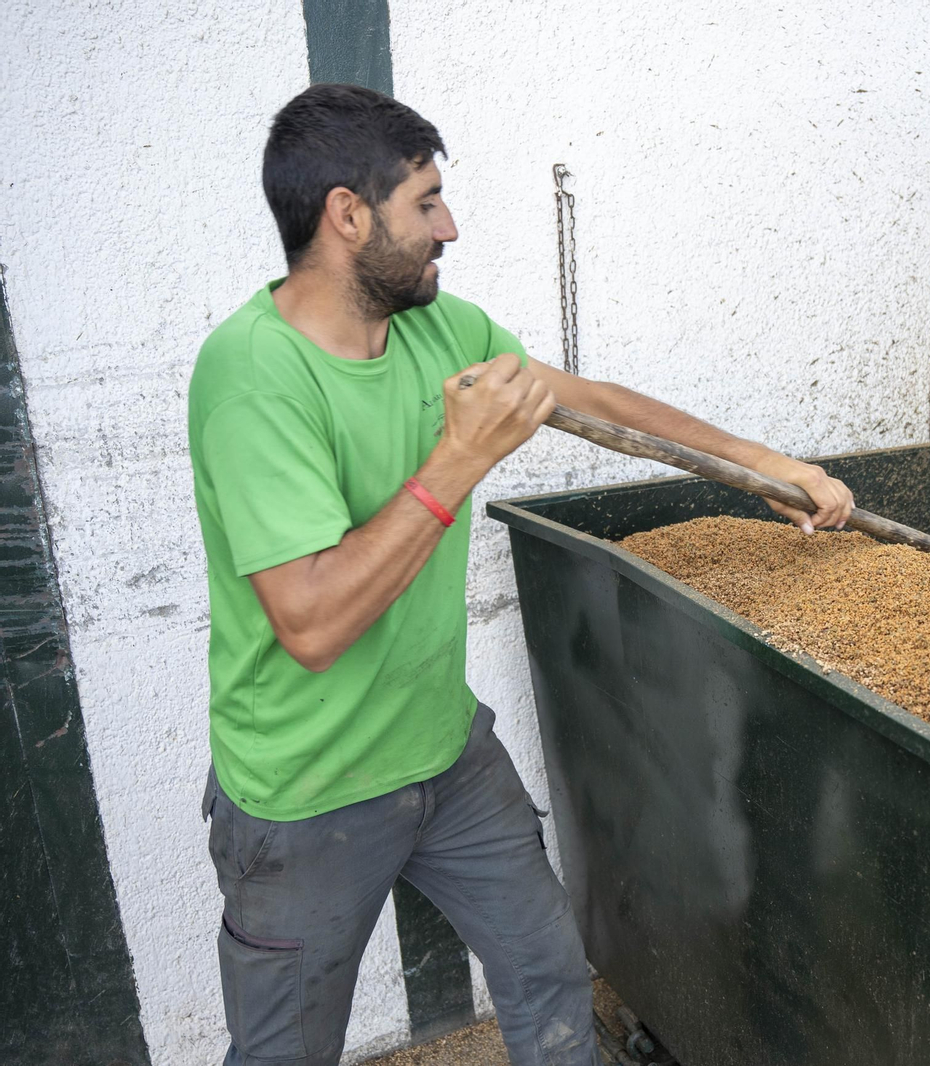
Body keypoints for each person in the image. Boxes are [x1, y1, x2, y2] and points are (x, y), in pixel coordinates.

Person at [188, 82, 855, 1066]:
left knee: (548, 975)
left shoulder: (439, 330)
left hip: (443, 753)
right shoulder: (254, 376)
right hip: (306, 797)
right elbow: (313, 624)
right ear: (347, 214)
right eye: (426, 202)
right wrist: (458, 459)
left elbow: (593, 403)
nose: (449, 227)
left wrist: (766, 465)